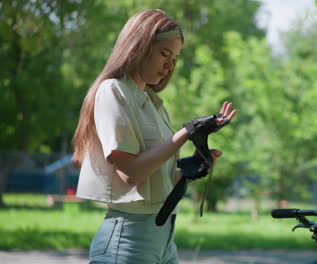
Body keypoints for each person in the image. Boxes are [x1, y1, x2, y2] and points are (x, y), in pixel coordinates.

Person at [71, 9, 236, 264]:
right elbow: (131, 175)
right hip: (127, 243)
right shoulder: (113, 91)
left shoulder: (153, 102)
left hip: (165, 241)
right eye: (164, 54)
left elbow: (154, 179)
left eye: (175, 59)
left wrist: (189, 171)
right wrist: (186, 132)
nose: (170, 66)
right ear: (139, 46)